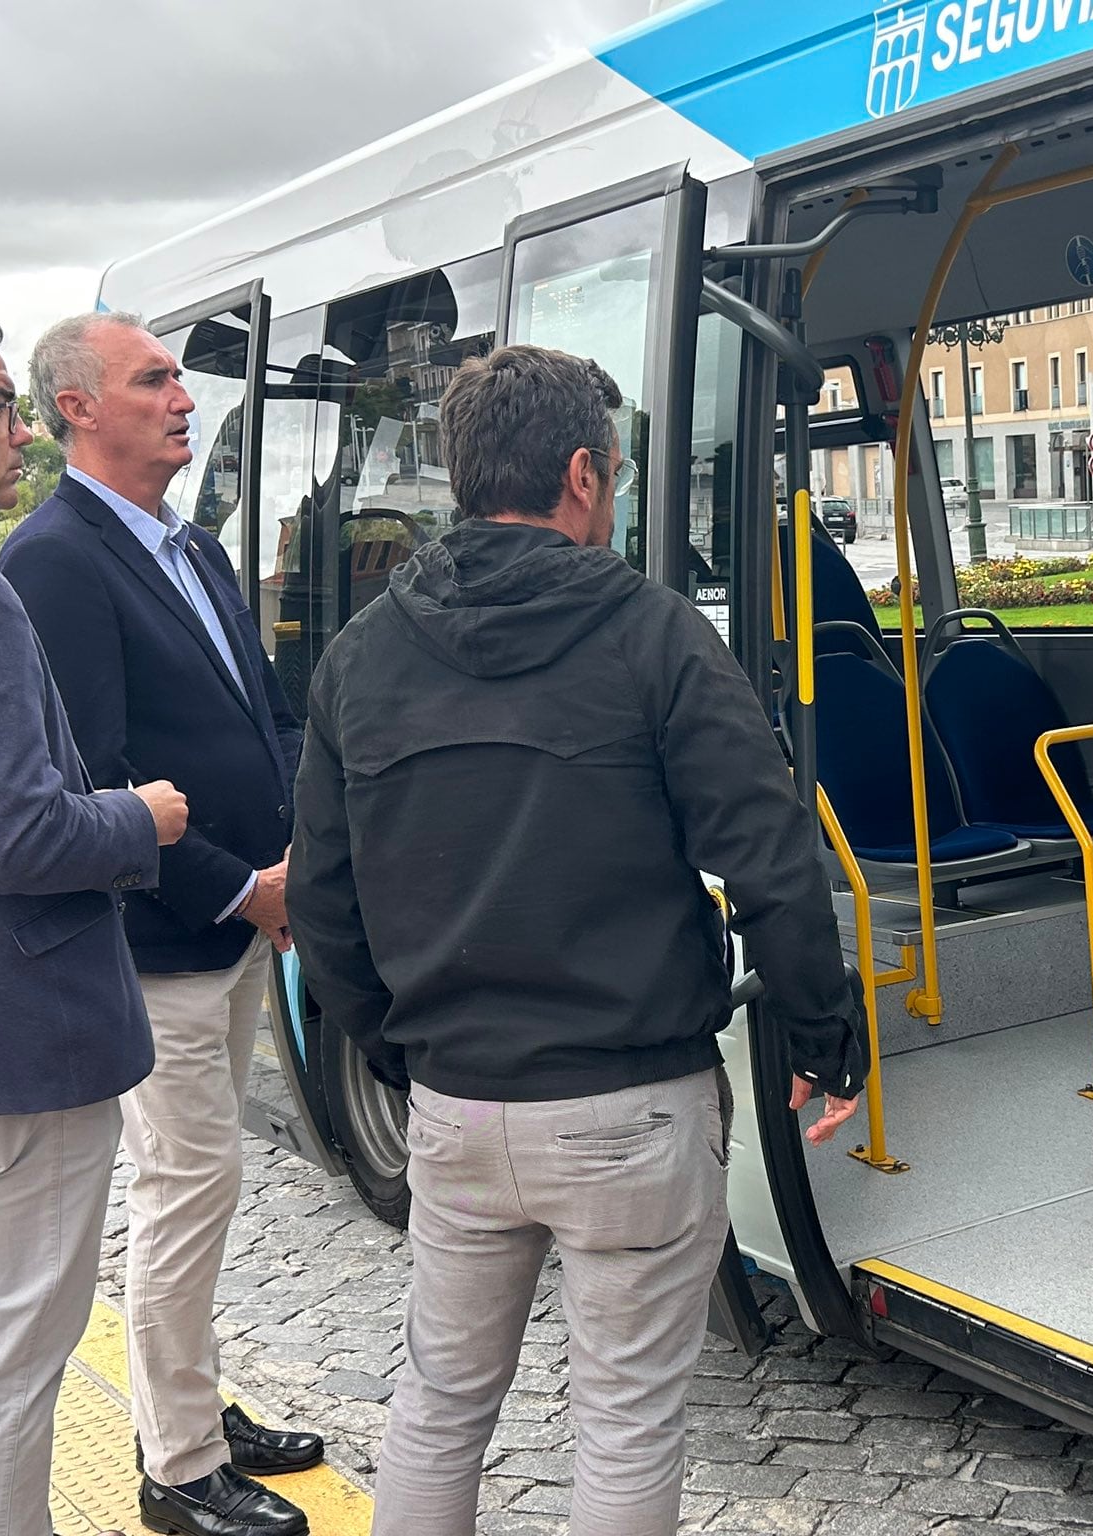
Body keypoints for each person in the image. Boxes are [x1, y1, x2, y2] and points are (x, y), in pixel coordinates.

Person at [288, 345, 866, 1536]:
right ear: (584, 474)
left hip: (456, 1105)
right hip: (629, 1105)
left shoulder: (361, 657)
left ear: (459, 476)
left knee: (440, 1402)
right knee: (625, 1418)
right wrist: (823, 1032)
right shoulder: (654, 636)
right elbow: (770, 862)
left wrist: (406, 1058)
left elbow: (325, 904)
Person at [0, 313, 317, 1536]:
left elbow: (263, 714)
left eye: (179, 375)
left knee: (202, 1190)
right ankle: (179, 1468)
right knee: (189, 1188)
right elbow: (98, 777)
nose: (182, 396)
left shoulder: (199, 549)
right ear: (77, 408)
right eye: (151, 379)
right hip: (165, 942)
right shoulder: (55, 560)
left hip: (242, 921)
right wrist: (244, 888)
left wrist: (296, 861)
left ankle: (181, 1395)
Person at [0, 297, 188, 1536]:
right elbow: (17, 833)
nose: (16, 436)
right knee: (15, 1346)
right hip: (21, 1031)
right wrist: (141, 817)